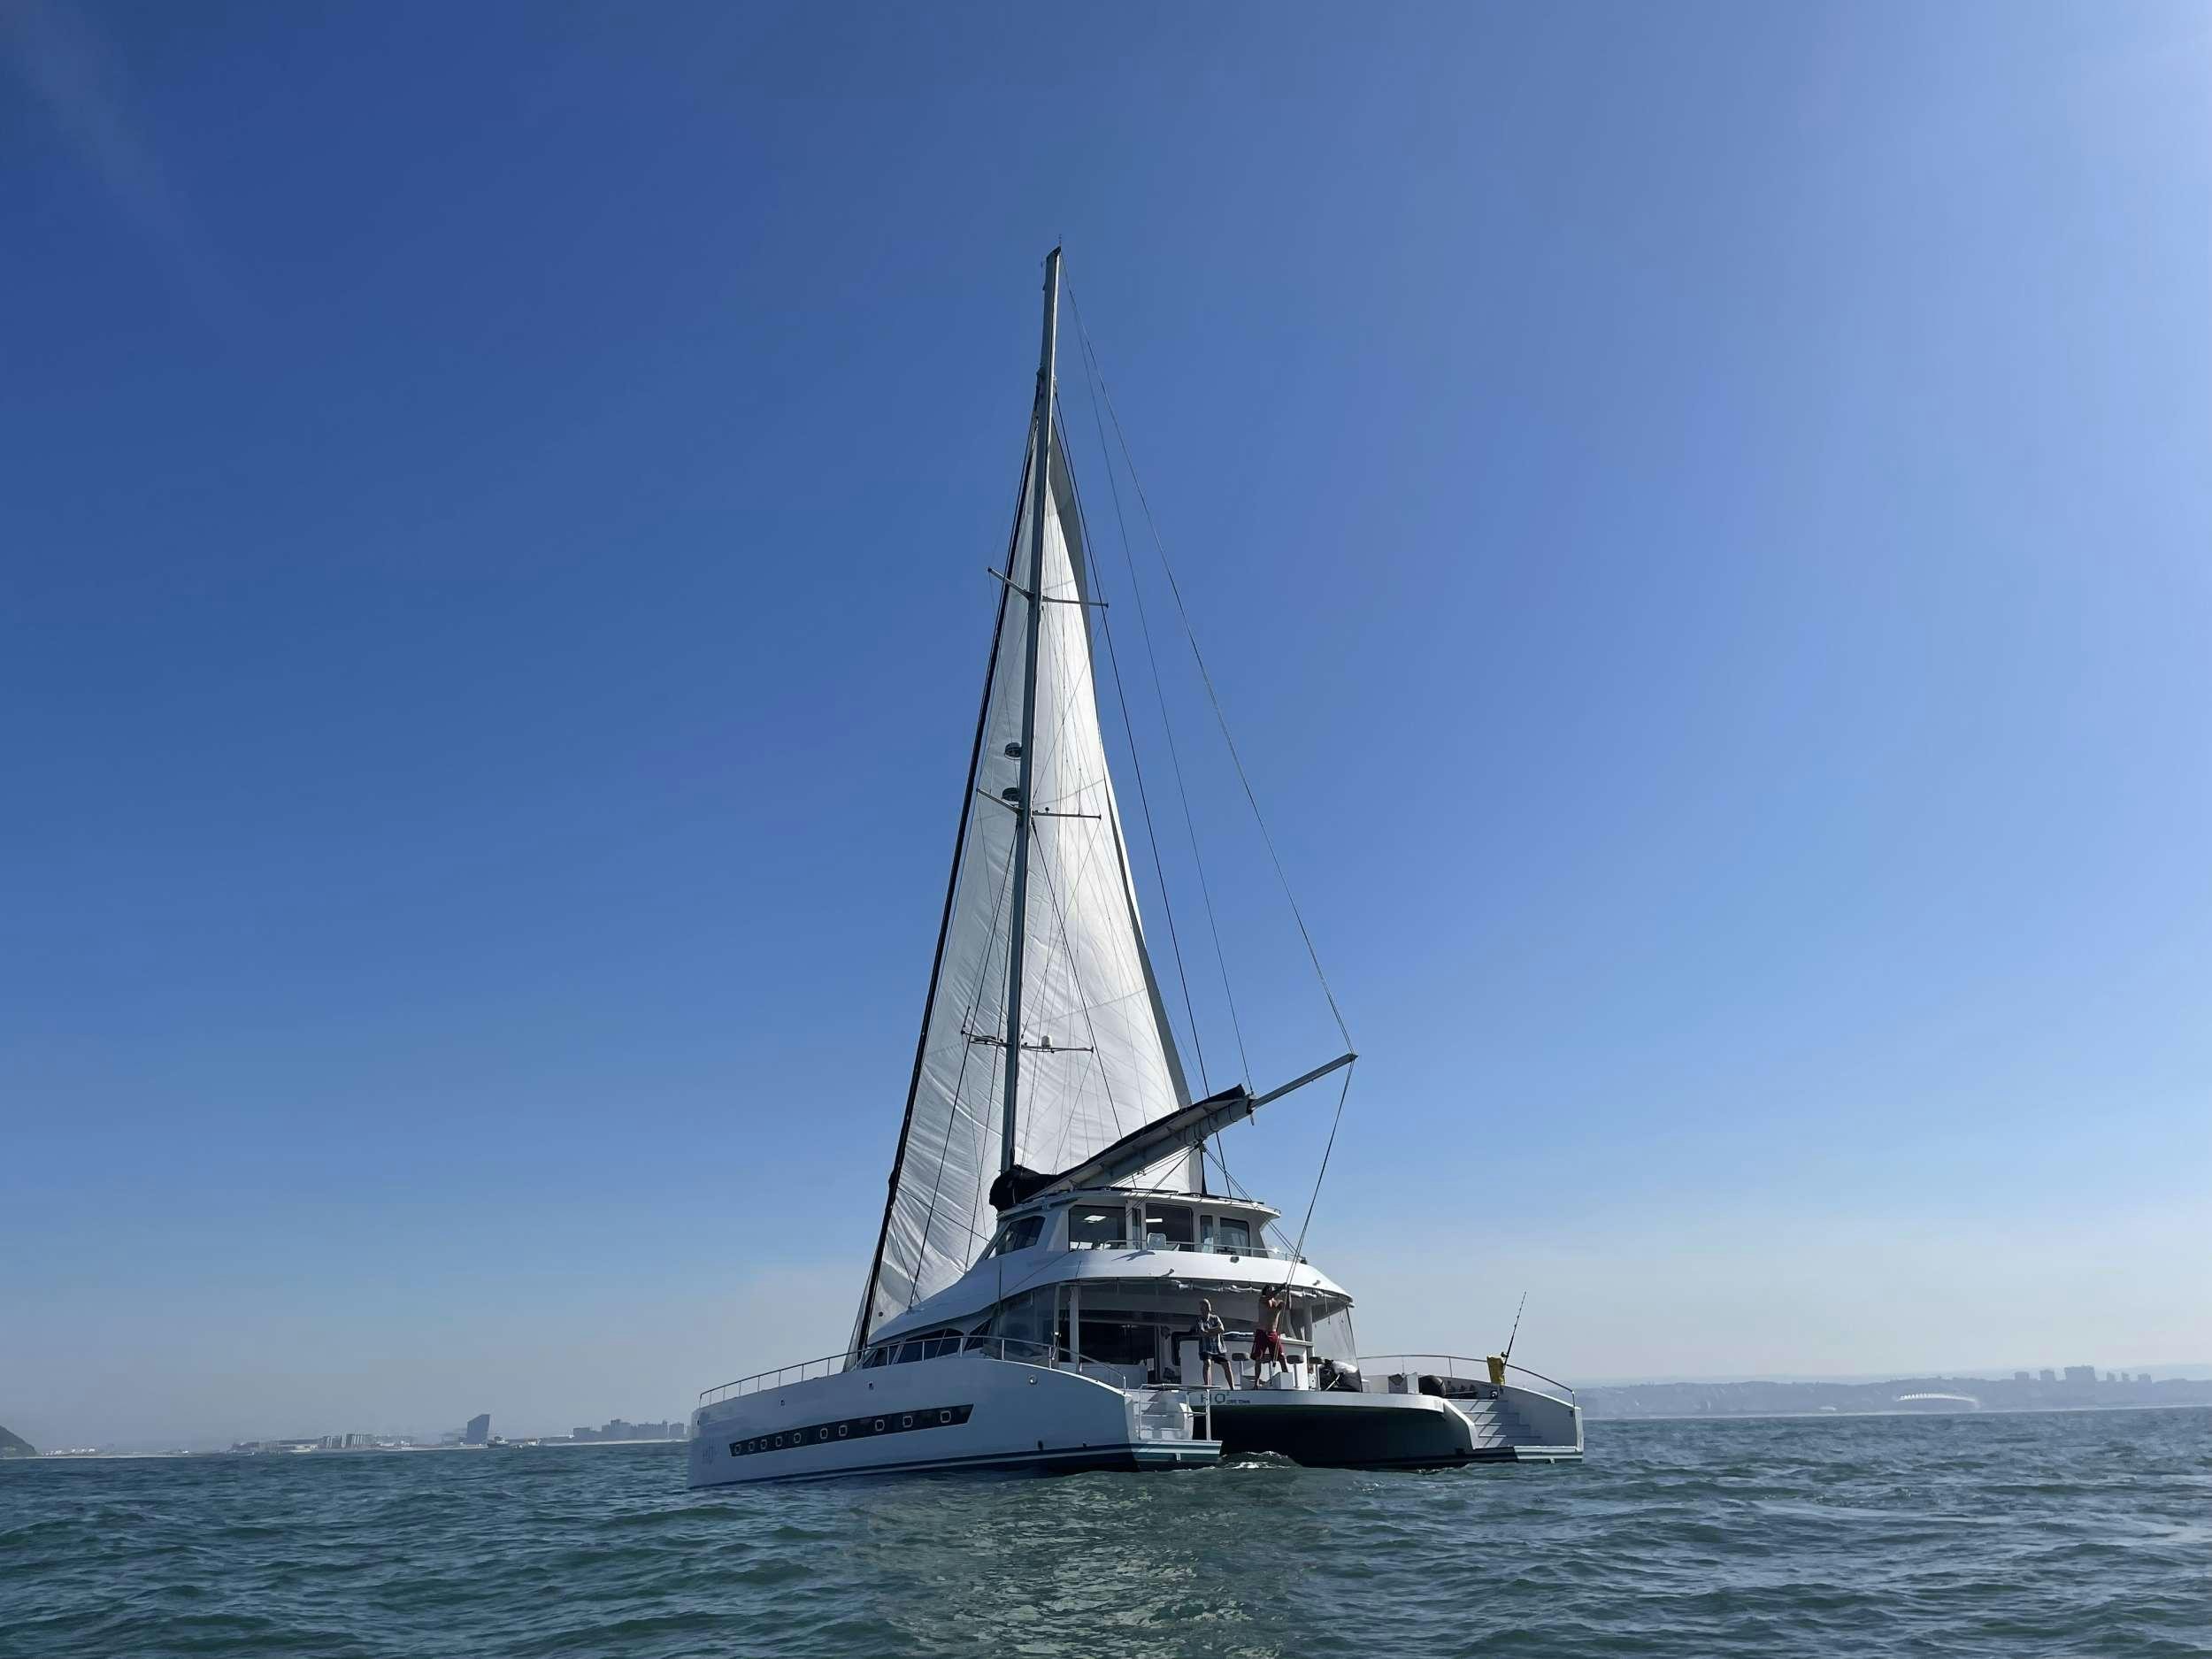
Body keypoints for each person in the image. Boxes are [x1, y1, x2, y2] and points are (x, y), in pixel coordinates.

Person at [1194, 1298, 1234, 1389]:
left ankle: (1232, 1388)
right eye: (1203, 1308)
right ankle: (1208, 1387)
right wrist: (1215, 1331)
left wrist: (1209, 1330)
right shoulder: (1199, 1320)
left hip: (1218, 1348)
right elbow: (1202, 1333)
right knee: (1207, 1363)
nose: (1206, 1309)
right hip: (1206, 1348)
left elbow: (1221, 1329)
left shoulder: (1215, 1318)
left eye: (1207, 1307)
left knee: (1226, 1364)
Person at [1250, 1288, 1288, 1380]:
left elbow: (1288, 1307)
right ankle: (1256, 1383)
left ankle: (1287, 1381)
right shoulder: (1262, 1299)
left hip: (1273, 1333)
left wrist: (1288, 1292)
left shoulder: (1278, 1302)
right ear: (1266, 1291)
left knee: (1282, 1358)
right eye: (1270, 1289)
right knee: (1258, 1358)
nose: (1272, 1290)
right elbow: (1268, 1297)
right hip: (1261, 1332)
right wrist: (1280, 1288)